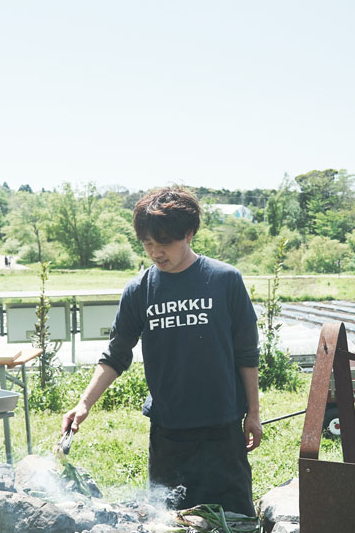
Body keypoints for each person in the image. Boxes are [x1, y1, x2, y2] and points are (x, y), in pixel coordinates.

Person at [61, 186, 261, 515]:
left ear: (189, 233)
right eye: (147, 244)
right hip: (169, 431)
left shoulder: (225, 281)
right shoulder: (140, 290)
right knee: (171, 523)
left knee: (234, 521)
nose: (155, 253)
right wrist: (84, 404)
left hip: (222, 425)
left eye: (164, 243)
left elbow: (246, 354)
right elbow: (115, 355)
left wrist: (252, 413)